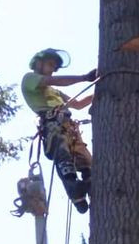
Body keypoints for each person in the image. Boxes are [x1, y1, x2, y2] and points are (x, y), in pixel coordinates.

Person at [21, 48, 96, 213]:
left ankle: (91, 188)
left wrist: (99, 90)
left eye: (55, 68)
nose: (53, 70)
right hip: (52, 124)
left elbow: (78, 104)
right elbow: (58, 80)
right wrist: (84, 78)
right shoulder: (30, 79)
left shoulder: (54, 91)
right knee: (63, 155)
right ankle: (74, 190)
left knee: (87, 161)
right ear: (38, 63)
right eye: (50, 65)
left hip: (69, 127)